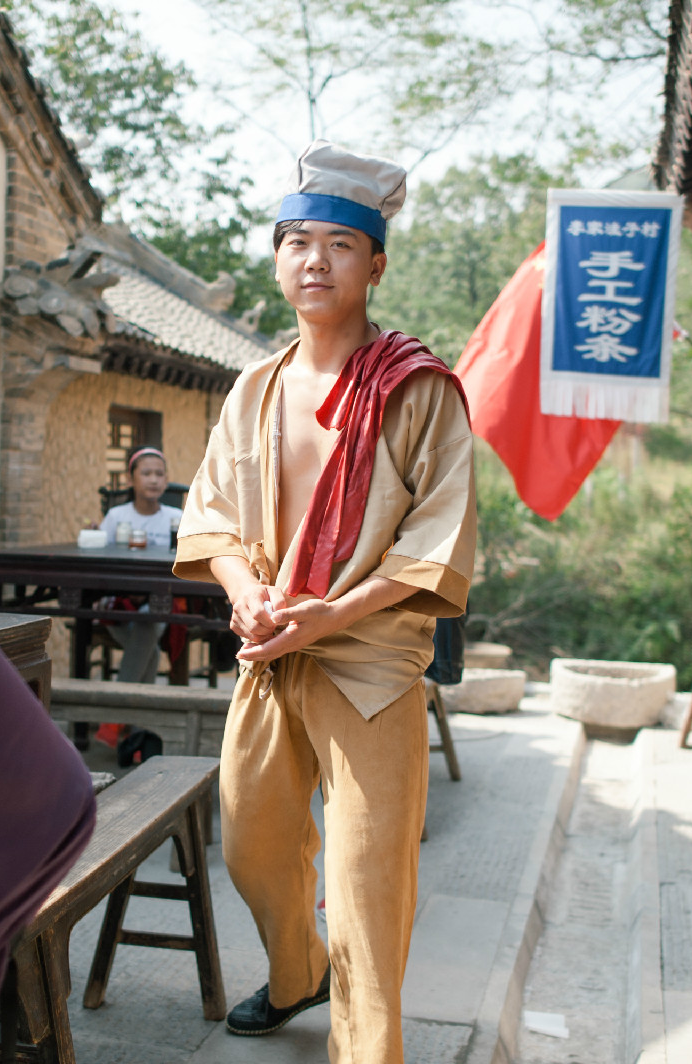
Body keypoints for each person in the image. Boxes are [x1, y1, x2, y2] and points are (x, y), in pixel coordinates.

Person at [173, 141, 476, 1063]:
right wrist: (248, 593)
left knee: (365, 881)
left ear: (375, 264)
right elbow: (214, 516)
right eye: (296, 241)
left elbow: (438, 543)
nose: (315, 260)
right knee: (254, 846)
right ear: (277, 258)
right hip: (271, 647)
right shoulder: (255, 389)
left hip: (369, 661)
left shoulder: (418, 390)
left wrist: (330, 614)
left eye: (339, 244)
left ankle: (366, 1050)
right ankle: (298, 974)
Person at [97, 447, 184, 687]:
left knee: (149, 621)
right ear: (130, 478)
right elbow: (99, 561)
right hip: (119, 602)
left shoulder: (176, 517)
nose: (154, 480)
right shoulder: (116, 516)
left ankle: (116, 717)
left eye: (159, 474)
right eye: (146, 473)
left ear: (166, 480)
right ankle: (130, 724)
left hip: (161, 599)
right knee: (148, 645)